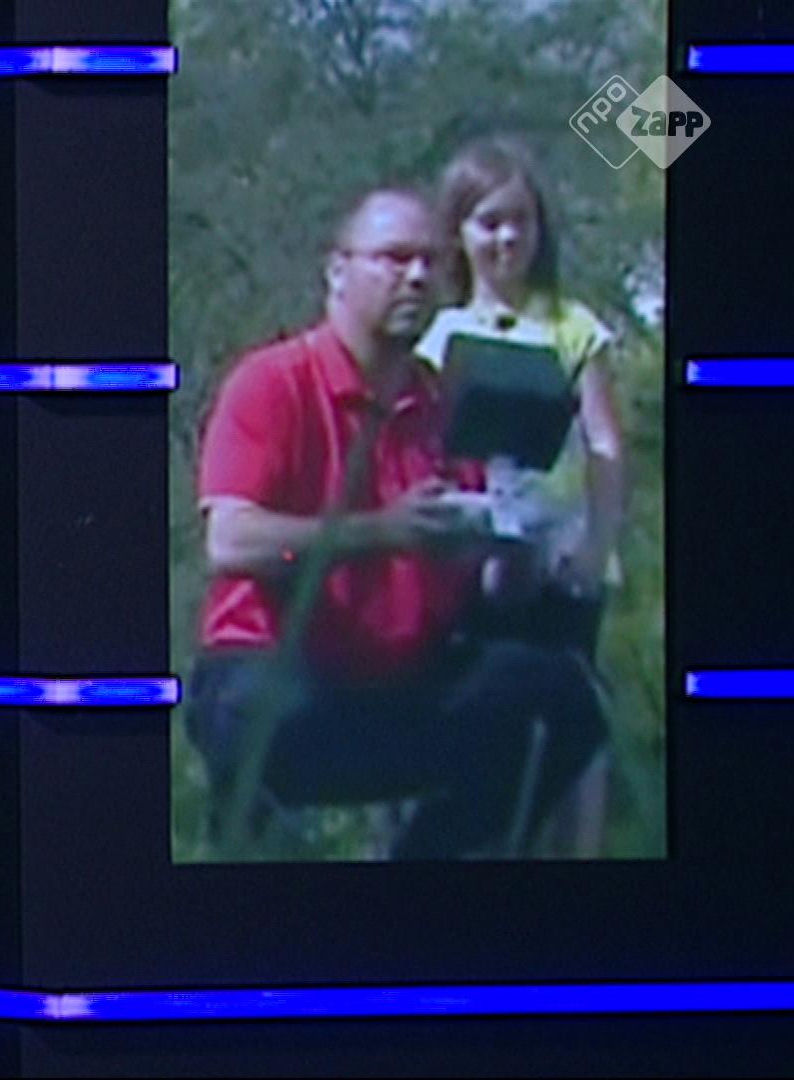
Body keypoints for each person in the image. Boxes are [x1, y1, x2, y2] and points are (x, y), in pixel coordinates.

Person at [190, 187, 603, 860]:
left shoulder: (447, 401)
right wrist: (385, 531)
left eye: (430, 262)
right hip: (278, 677)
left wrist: (517, 546)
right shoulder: (273, 382)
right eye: (394, 258)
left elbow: (489, 589)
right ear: (338, 271)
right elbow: (231, 541)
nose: (416, 277)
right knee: (257, 714)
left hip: (405, 683)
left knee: (564, 701)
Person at [415, 135, 628, 657]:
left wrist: (596, 547)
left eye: (520, 221)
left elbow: (605, 444)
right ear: (459, 233)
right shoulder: (438, 335)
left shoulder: (574, 327)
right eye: (489, 223)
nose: (507, 238)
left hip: (561, 561)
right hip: (470, 563)